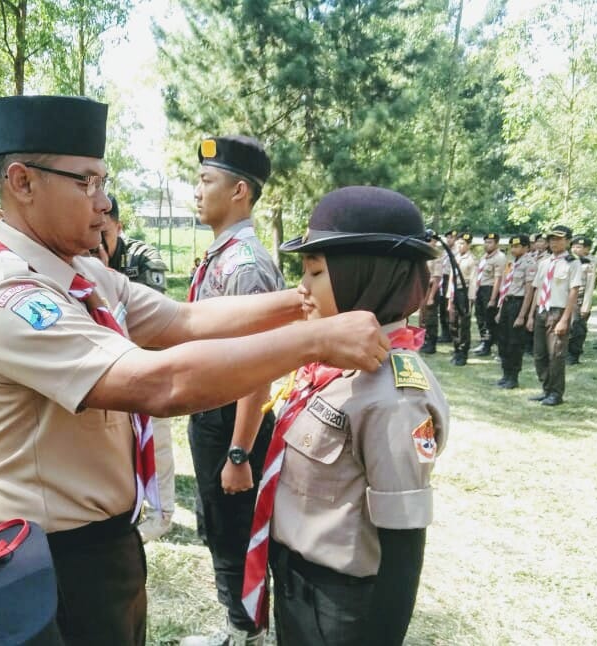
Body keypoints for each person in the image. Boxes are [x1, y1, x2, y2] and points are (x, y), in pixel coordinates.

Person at [0, 95, 390, 646]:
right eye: (87, 182)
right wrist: (316, 338)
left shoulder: (82, 275)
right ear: (23, 182)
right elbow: (159, 383)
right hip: (56, 558)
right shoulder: (12, 298)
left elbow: (183, 320)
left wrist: (302, 301)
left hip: (103, 544)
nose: (103, 201)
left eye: (102, 182)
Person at [241, 186, 449, 645]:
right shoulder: (330, 366)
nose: (302, 286)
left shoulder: (393, 395)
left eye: (315, 271)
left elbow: (404, 544)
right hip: (295, 579)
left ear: (364, 277)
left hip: (338, 604)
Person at [181, 135, 286, 646]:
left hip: (232, 422)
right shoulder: (221, 257)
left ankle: (245, 632)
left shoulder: (245, 266)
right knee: (218, 527)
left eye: (207, 180)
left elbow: (257, 369)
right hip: (213, 414)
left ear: (239, 190)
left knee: (234, 532)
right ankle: (237, 625)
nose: (197, 191)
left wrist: (239, 452)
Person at [100, 194, 176, 543]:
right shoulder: (79, 254)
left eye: (105, 233)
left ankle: (162, 514)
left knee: (156, 440)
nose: (98, 242)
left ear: (118, 226)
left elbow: (151, 321)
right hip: (109, 364)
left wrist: (104, 276)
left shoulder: (143, 257)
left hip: (146, 359)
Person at [525, 225, 582, 406]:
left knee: (556, 354)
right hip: (542, 310)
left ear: (568, 241)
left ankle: (556, 393)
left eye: (558, 239)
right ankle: (546, 388)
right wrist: (530, 315)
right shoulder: (544, 262)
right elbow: (537, 289)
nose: (554, 242)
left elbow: (573, 291)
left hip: (558, 311)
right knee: (539, 354)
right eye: (551, 239)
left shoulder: (573, 263)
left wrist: (565, 319)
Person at [494, 234, 536, 389]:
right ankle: (505, 374)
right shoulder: (510, 263)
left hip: (518, 303)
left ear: (526, 247)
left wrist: (522, 315)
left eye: (517, 246)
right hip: (507, 302)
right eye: (512, 246)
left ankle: (513, 377)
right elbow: (505, 286)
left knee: (514, 342)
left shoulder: (529, 263)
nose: (513, 249)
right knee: (503, 340)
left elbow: (529, 291)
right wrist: (500, 309)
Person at [472, 232, 505, 357]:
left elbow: (498, 279)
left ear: (496, 244)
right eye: (485, 242)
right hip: (481, 289)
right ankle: (484, 341)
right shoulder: (484, 257)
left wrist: (492, 298)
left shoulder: (499, 257)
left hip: (490, 290)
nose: (487, 244)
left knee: (489, 320)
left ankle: (488, 345)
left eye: (490, 242)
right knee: (480, 317)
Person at [447, 232, 476, 366]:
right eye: (458, 243)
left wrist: (470, 300)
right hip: (454, 292)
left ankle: (463, 353)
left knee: (463, 325)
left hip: (464, 293)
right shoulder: (455, 257)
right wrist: (449, 298)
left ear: (468, 245)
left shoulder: (471, 260)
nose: (460, 246)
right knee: (453, 323)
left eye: (463, 243)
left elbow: (473, 281)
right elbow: (451, 278)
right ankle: (456, 349)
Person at [567, 236, 595, 364]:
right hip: (566, 299)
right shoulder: (568, 261)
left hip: (579, 300)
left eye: (579, 247)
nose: (575, 249)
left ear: (586, 249)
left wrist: (586, 306)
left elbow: (589, 286)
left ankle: (574, 354)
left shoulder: (587, 264)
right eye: (573, 246)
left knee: (577, 328)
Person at [419, 238, 445, 355]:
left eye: (431, 241)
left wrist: (431, 297)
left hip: (431, 289)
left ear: (435, 242)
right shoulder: (424, 254)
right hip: (423, 289)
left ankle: (431, 344)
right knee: (423, 318)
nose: (428, 243)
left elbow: (437, 278)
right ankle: (424, 341)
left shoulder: (436, 256)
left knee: (431, 318)